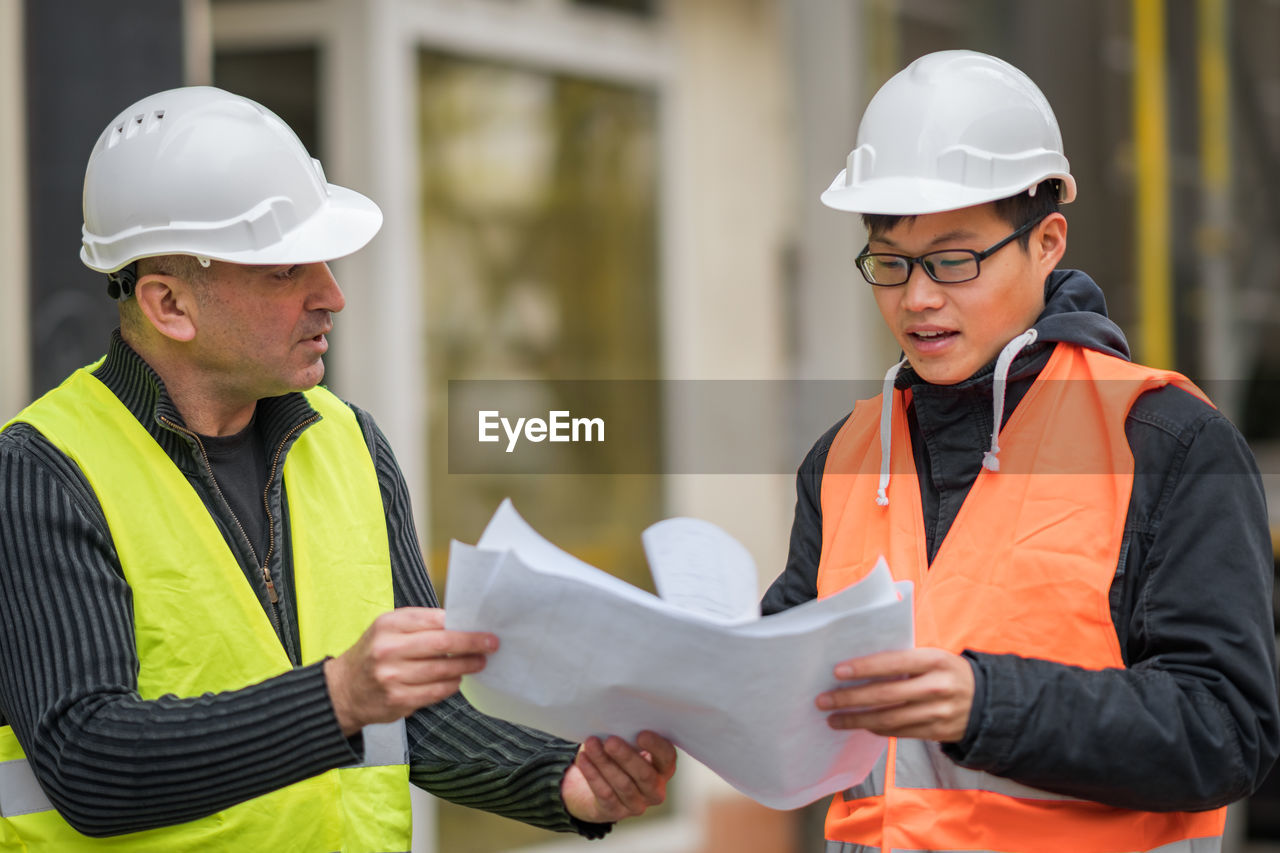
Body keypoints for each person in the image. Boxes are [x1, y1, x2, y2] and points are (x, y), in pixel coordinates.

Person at [0, 86, 675, 850]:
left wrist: (560, 781)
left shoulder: (349, 440)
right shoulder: (42, 471)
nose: (333, 295)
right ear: (169, 305)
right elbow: (90, 761)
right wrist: (337, 696)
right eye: (285, 271)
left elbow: (420, 714)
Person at [762, 50, 1279, 852]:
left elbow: (1227, 729)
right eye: (891, 262)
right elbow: (789, 705)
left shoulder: (1169, 442)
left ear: (1046, 242)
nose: (918, 297)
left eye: (954, 260)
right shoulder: (843, 458)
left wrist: (988, 704)